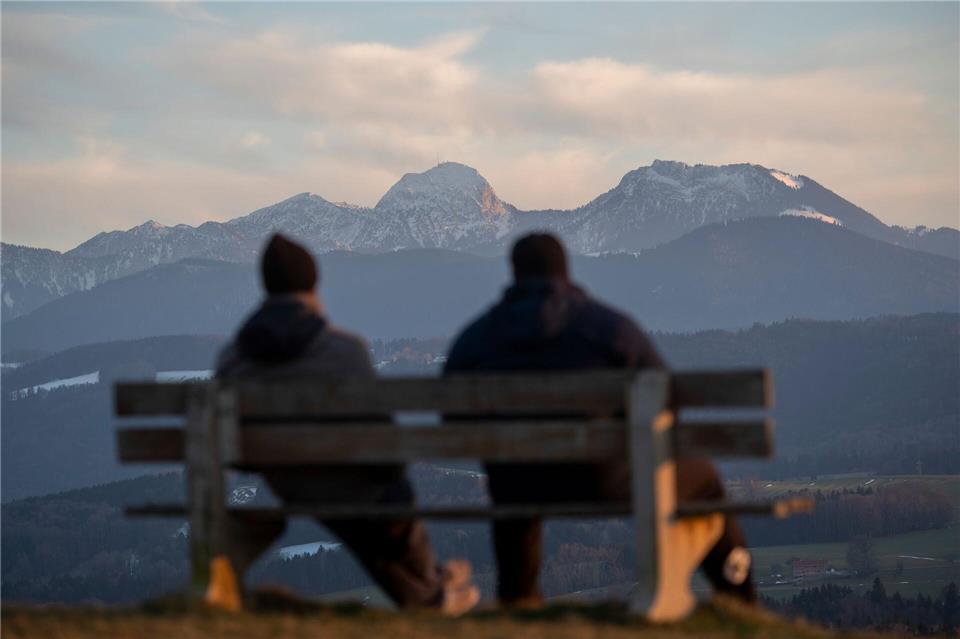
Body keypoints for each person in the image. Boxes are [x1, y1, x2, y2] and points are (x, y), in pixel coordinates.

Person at [443, 232, 755, 609]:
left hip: (518, 481)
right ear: (565, 271)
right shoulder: (608, 327)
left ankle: (518, 598)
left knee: (514, 481)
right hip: (608, 479)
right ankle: (739, 599)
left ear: (513, 273)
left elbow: (452, 415)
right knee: (704, 480)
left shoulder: (478, 337)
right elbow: (665, 399)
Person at [216, 233, 479, 615]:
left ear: (266, 286)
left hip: (286, 482)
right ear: (313, 285)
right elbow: (381, 434)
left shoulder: (233, 357)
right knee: (385, 506)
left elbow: (237, 451)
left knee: (364, 526)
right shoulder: (343, 348)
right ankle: (433, 592)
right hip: (352, 484)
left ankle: (433, 593)